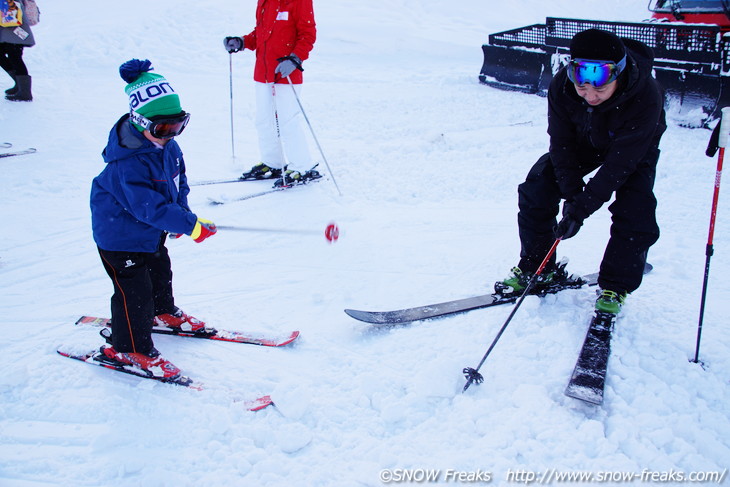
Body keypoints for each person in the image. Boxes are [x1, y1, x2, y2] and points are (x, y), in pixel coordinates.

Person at [497, 29, 666, 316]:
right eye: (583, 89)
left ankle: (616, 284)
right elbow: (561, 143)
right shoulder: (563, 85)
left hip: (632, 144)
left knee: (635, 207)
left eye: (599, 89)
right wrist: (572, 192)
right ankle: (538, 267)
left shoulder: (646, 96)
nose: (590, 97)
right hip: (584, 139)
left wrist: (579, 210)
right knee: (538, 185)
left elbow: (618, 167)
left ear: (618, 76)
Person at [90, 59, 217, 379]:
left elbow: (178, 183)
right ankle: (129, 347)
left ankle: (162, 312)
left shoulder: (168, 148)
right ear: (139, 121)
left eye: (178, 126)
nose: (170, 135)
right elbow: (147, 207)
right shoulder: (126, 163)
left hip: (147, 233)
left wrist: (184, 216)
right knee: (134, 292)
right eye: (163, 128)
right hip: (119, 237)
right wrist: (189, 226)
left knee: (160, 270)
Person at [224, 0, 320, 187]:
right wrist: (243, 42)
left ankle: (302, 166)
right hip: (263, 71)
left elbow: (308, 34)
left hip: (286, 73)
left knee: (288, 121)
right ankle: (273, 163)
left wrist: (295, 59)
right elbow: (262, 33)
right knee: (263, 119)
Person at [0, 0, 34, 101]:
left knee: (15, 56)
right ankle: (19, 85)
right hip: (5, 23)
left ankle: (24, 92)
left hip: (14, 22)